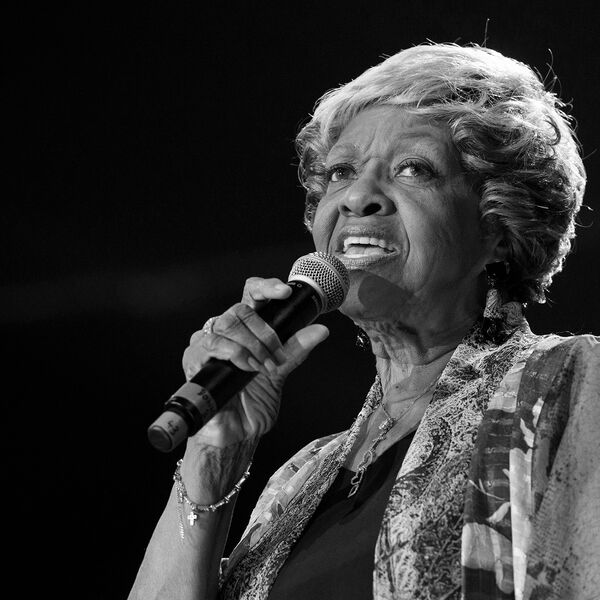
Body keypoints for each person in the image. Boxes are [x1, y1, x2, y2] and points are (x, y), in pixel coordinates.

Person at [128, 43, 599, 600]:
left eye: (414, 168)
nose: (357, 197)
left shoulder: (572, 385)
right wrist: (213, 455)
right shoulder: (299, 479)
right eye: (341, 171)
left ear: (498, 225)